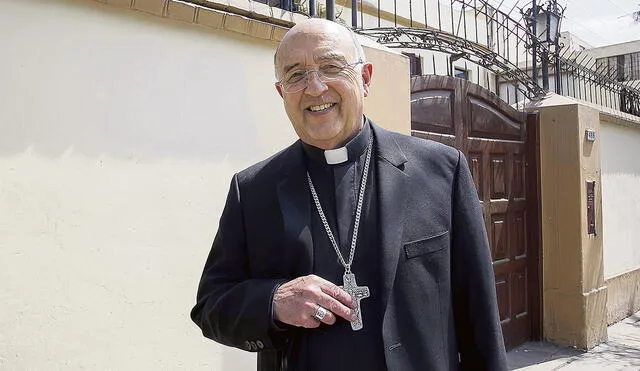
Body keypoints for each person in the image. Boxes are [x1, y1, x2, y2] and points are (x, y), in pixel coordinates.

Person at [191, 18, 507, 371]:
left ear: (365, 78)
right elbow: (211, 306)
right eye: (296, 75)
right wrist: (274, 301)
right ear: (282, 93)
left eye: (330, 67)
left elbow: (479, 317)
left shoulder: (442, 171)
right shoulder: (252, 190)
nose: (314, 87)